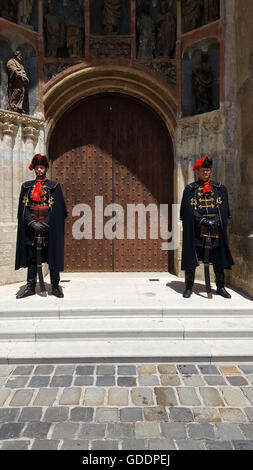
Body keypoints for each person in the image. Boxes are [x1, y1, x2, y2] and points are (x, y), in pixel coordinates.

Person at [180, 155, 234, 298]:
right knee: (192, 256)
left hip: (215, 229)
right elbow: (187, 210)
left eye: (208, 170)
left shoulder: (220, 188)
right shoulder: (190, 189)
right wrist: (203, 221)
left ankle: (220, 287)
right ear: (197, 171)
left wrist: (216, 220)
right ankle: (189, 287)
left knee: (218, 258)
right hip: (197, 230)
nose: (205, 172)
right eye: (203, 170)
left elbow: (223, 208)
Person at [15, 154, 67, 299]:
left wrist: (44, 224)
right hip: (31, 228)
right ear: (34, 169)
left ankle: (55, 287)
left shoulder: (54, 187)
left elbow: (57, 211)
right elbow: (23, 208)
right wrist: (32, 223)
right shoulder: (27, 187)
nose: (39, 170)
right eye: (37, 167)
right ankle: (30, 287)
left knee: (52, 257)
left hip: (48, 229)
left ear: (46, 169)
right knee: (32, 258)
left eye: (42, 167)